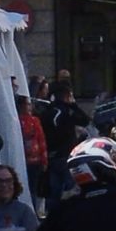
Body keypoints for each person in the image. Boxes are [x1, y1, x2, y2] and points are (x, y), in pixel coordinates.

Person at [42, 81, 90, 210]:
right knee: (70, 189)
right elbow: (85, 120)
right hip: (65, 154)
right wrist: (73, 105)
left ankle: (52, 215)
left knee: (54, 191)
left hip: (51, 155)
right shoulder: (66, 111)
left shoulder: (47, 110)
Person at [18, 95, 48, 213]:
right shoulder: (17, 121)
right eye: (27, 104)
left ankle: (34, 210)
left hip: (35, 160)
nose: (29, 107)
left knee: (34, 187)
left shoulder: (34, 120)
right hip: (24, 159)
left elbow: (41, 139)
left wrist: (44, 159)